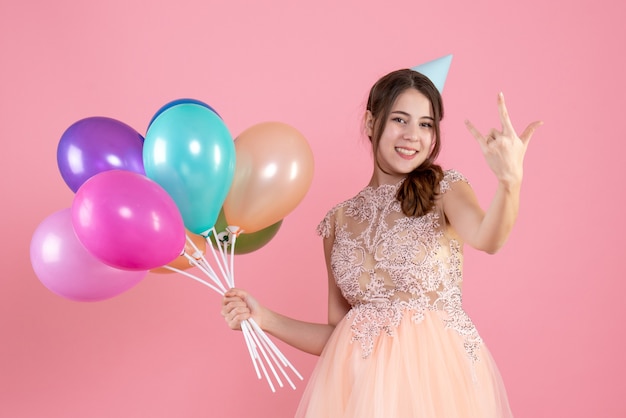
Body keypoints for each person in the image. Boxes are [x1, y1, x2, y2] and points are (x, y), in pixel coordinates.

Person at [221, 68, 542, 417]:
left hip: (436, 388)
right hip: (358, 392)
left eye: (426, 124)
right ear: (371, 123)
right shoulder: (338, 221)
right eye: (400, 120)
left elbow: (488, 238)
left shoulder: (445, 190)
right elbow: (337, 335)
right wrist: (264, 318)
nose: (412, 136)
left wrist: (510, 183)